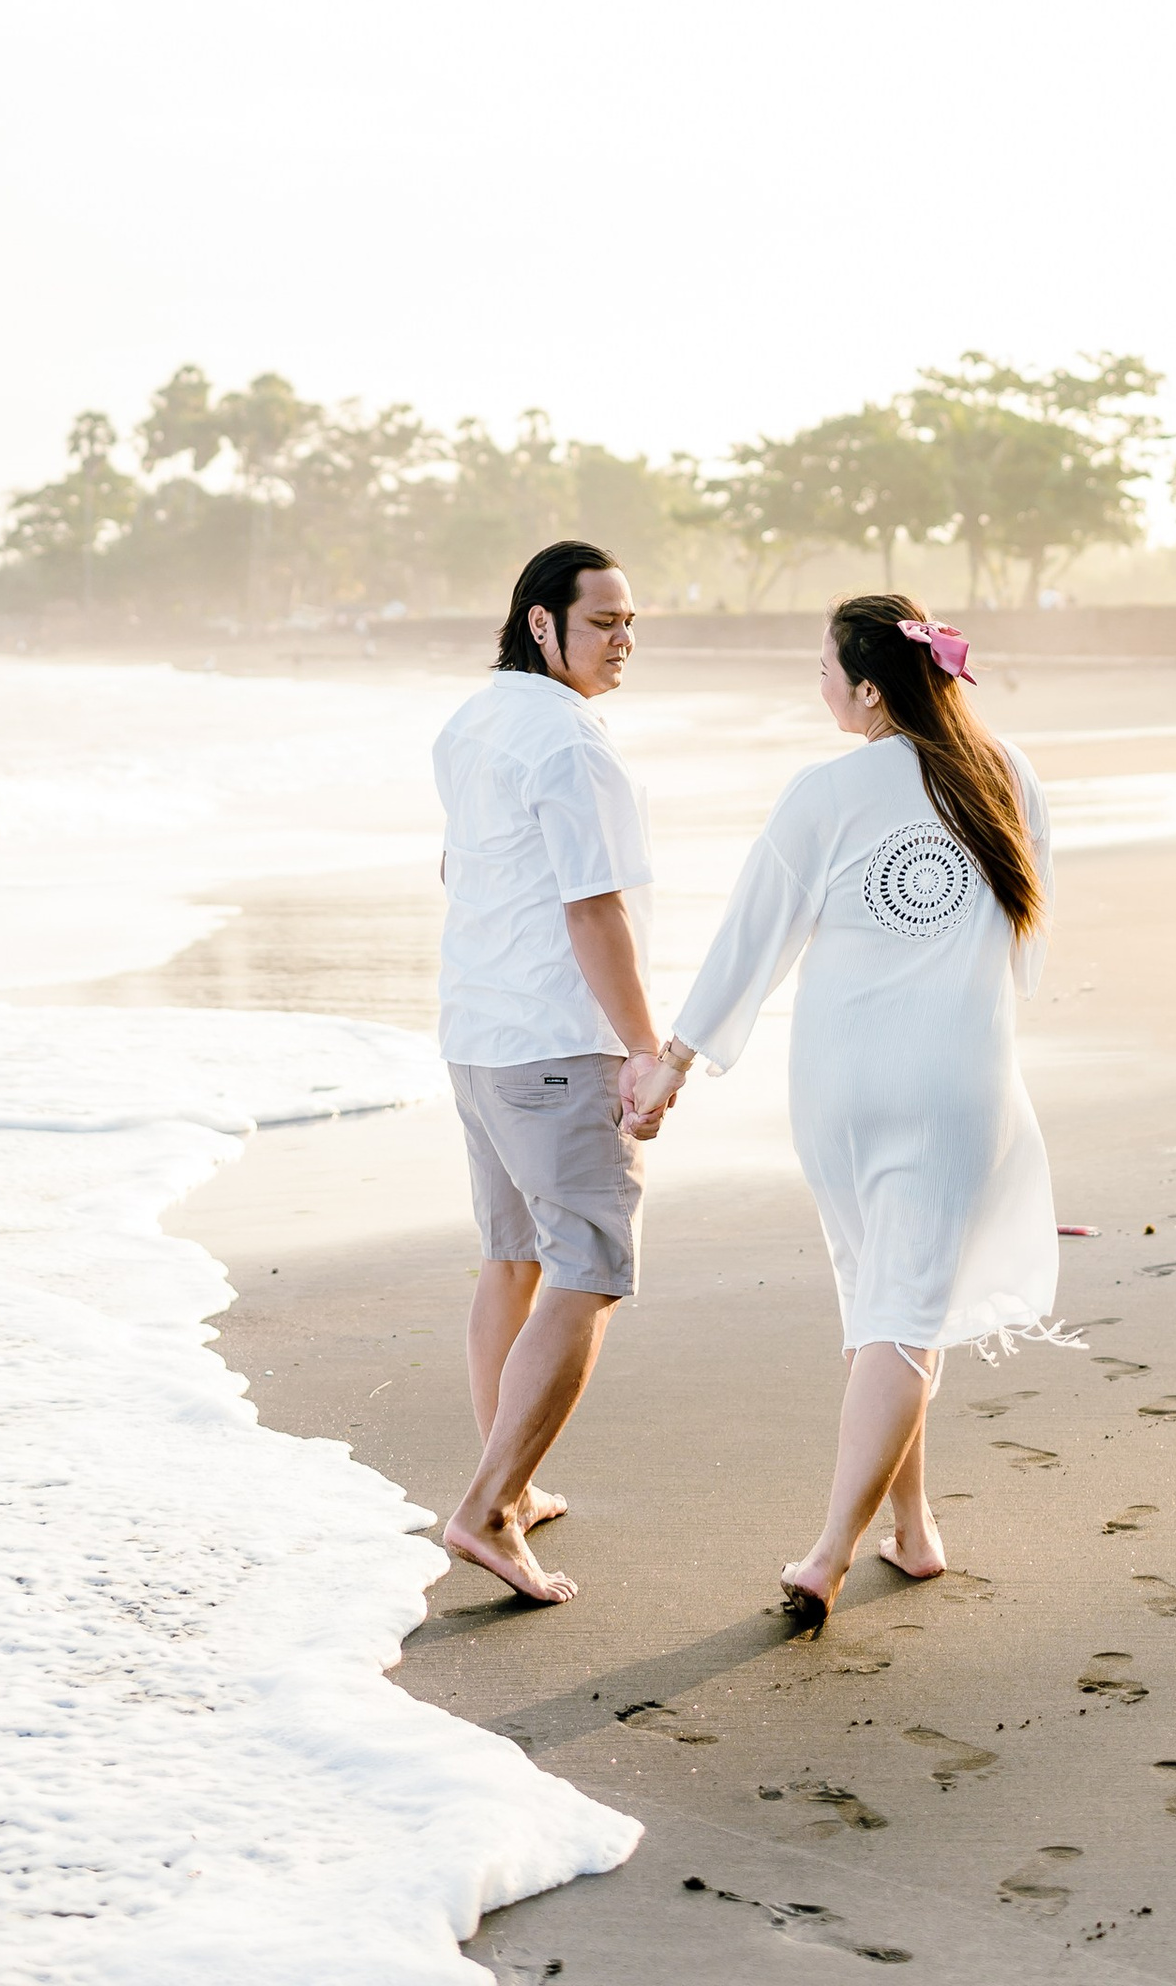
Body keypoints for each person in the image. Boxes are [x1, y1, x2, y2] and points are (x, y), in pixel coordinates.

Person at [652, 592, 1062, 1630]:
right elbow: (1026, 951)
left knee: (881, 1299)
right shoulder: (1005, 773)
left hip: (837, 1084)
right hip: (952, 1079)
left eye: (825, 667)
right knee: (903, 1307)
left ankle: (903, 1534)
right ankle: (838, 1549)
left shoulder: (820, 794)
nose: (818, 683)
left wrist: (674, 1062)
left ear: (870, 686)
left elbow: (749, 939)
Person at [431, 539, 672, 1606]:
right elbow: (594, 904)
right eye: (604, 623)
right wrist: (643, 1048)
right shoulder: (573, 745)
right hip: (554, 1044)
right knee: (587, 1272)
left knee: (512, 1259)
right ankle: (488, 1508)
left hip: (477, 1037)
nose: (624, 642)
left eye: (630, 623)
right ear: (542, 624)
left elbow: (459, 866)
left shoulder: (468, 721)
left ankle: (506, 1486)